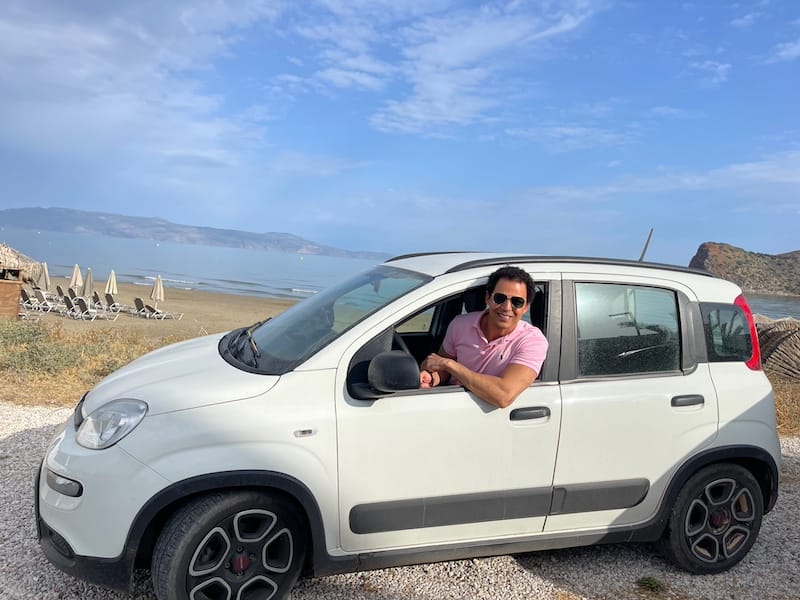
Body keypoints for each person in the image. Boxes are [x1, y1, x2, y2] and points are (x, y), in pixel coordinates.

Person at [419, 266, 548, 409]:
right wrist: (432, 377)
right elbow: (441, 368)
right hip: (451, 406)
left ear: (526, 307)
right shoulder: (460, 324)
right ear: (488, 298)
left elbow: (503, 396)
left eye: (517, 302)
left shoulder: (533, 341)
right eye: (500, 298)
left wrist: (449, 365)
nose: (506, 307)